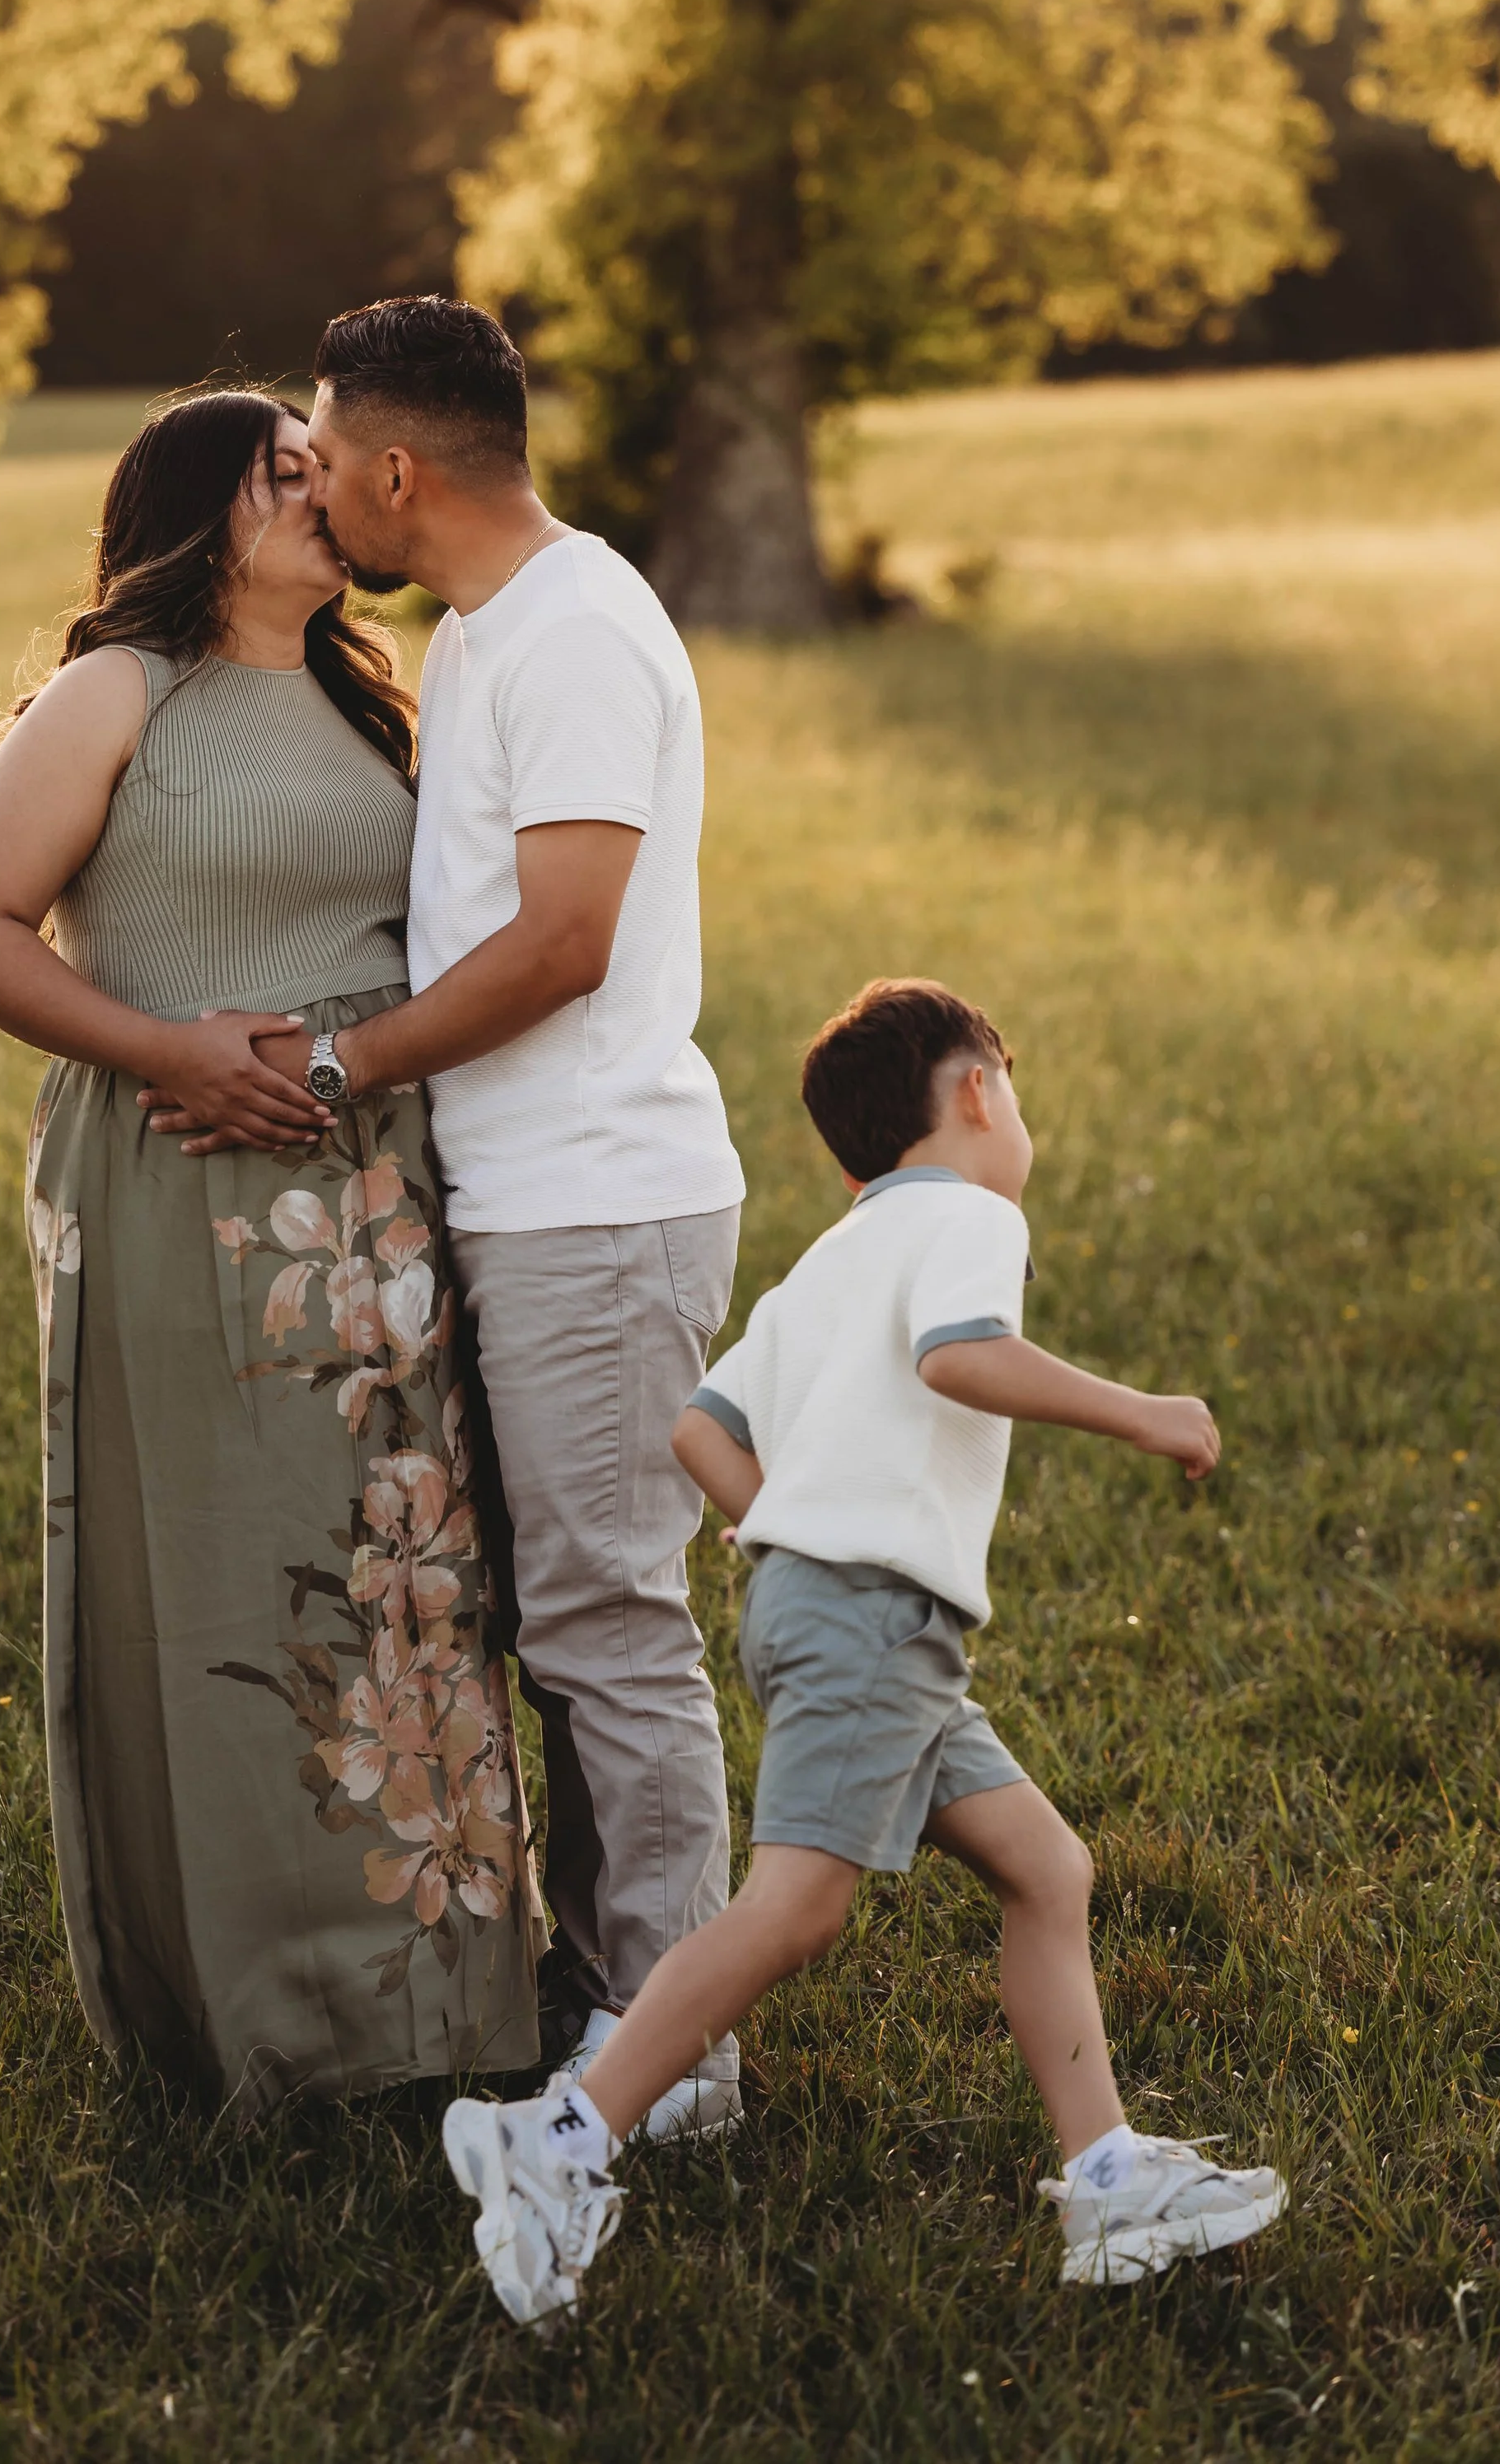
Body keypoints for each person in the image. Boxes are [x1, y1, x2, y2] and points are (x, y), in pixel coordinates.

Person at [441, 978, 1288, 2321]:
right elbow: (961, 1356)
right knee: (799, 1906)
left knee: (1046, 1866)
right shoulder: (971, 1215)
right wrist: (1146, 1410)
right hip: (872, 1609)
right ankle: (560, 2136)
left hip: (832, 1608)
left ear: (848, 1156)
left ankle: (1109, 2169)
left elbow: (699, 1432)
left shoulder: (831, 1258)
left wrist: (795, 1523)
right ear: (977, 1094)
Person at [154, 296, 747, 2135]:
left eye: (324, 459)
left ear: (397, 469)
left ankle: (676, 2050)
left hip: (596, 1206)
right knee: (546, 1619)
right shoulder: (494, 630)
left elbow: (561, 949)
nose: (316, 490)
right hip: (518, 1202)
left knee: (606, 1632)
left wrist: (335, 1073)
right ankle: (598, 1985)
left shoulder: (570, 633)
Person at [0, 391, 538, 2116]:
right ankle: (256, 2027)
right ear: (201, 511)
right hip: (182, 1164)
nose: (322, 490)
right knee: (217, 1581)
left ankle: (437, 2007)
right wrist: (172, 1051)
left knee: (402, 1578)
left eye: (321, 465)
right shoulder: (113, 690)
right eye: (285, 470)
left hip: (365, 1182)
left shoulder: (364, 695)